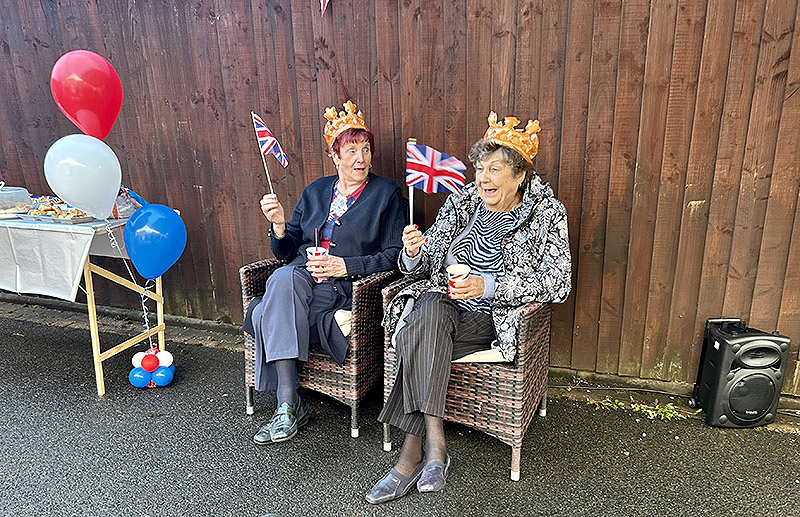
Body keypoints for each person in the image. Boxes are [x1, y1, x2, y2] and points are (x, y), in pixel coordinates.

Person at [366, 112, 572, 504]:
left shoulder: (546, 213)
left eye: (495, 169)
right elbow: (427, 263)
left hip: (491, 315)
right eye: (480, 168)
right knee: (426, 311)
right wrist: (413, 254)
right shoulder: (463, 202)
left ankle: (410, 459)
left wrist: (489, 284)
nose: (484, 178)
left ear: (520, 175)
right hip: (442, 301)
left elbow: (559, 280)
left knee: (416, 335)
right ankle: (436, 447)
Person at [243, 101, 407, 445]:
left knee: (263, 310)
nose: (360, 158)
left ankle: (288, 405)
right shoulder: (316, 191)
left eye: (365, 149)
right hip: (302, 275)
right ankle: (290, 405)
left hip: (342, 287)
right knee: (283, 276)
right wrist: (278, 227)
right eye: (351, 150)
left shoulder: (387, 194)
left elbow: (395, 257)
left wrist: (345, 265)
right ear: (335, 156)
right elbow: (286, 253)